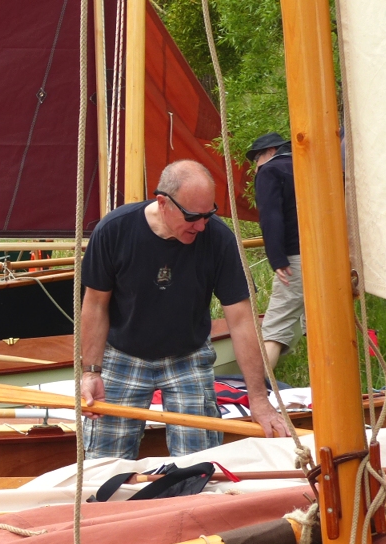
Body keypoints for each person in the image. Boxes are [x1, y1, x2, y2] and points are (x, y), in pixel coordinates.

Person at [79, 159, 290, 459]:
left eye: (208, 214)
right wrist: (90, 373)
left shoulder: (217, 239)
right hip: (123, 355)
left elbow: (242, 321)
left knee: (200, 460)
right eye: (193, 216)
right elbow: (96, 305)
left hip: (187, 357)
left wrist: (258, 399)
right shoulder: (114, 231)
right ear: (162, 203)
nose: (201, 226)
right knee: (103, 462)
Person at [247, 132, 303, 371]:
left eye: (256, 158)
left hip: (294, 257)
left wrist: (277, 258)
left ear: (269, 152)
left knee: (274, 326)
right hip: (327, 255)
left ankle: (262, 394)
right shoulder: (307, 165)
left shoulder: (270, 171)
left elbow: (271, 217)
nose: (255, 166)